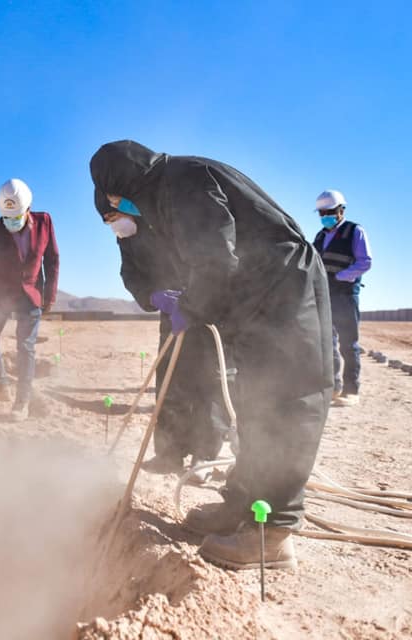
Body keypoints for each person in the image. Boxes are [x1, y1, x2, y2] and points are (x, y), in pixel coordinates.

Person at [90, 140, 333, 571]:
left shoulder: (184, 181)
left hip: (283, 290)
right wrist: (167, 298)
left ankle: (272, 533)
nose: (115, 206)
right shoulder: (156, 198)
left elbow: (214, 259)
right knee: (251, 399)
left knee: (286, 400)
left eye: (113, 198)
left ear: (124, 182)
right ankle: (240, 504)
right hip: (250, 301)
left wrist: (193, 306)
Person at [95, 191, 229, 478]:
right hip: (172, 312)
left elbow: (204, 258)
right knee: (169, 380)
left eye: (115, 216)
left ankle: (204, 458)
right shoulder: (127, 239)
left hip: (204, 308)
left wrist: (193, 297)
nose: (113, 225)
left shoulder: (166, 222)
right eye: (108, 221)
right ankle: (169, 454)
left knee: (208, 381)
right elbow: (130, 274)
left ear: (131, 208)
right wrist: (153, 297)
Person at [0, 178, 59, 421]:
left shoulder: (45, 222)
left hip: (31, 295)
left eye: (16, 217)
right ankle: (0, 384)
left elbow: (52, 260)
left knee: (25, 347)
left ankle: (22, 402)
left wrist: (48, 296)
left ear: (27, 209)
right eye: (6, 218)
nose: (11, 222)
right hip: (0, 294)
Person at [313, 189, 371, 407]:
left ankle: (351, 390)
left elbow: (365, 262)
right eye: (321, 212)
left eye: (329, 211)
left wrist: (340, 277)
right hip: (325, 295)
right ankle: (334, 387)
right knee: (327, 343)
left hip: (345, 295)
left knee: (349, 344)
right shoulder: (320, 236)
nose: (324, 216)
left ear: (341, 210)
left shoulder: (354, 231)